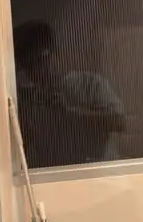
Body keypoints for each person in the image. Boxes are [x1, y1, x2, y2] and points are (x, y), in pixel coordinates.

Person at [13, 20, 126, 166]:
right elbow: (24, 149)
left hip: (101, 174)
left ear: (52, 54)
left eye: (39, 60)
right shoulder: (29, 102)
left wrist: (69, 113)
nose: (36, 70)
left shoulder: (90, 84)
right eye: (28, 65)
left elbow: (119, 122)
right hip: (57, 179)